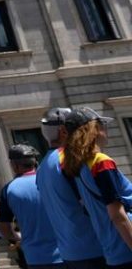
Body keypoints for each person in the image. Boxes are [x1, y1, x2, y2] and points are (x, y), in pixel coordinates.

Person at [61, 107, 132, 267]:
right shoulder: (101, 162)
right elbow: (117, 215)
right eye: (102, 124)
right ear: (93, 129)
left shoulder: (78, 167)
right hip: (126, 247)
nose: (106, 129)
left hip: (111, 249)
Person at [36, 107, 105, 268]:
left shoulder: (42, 168)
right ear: (63, 131)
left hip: (69, 252)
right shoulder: (69, 159)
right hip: (95, 247)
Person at [0, 144, 62, 268]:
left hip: (36, 258)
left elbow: (5, 229)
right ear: (35, 162)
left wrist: (18, 237)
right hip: (68, 253)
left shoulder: (9, 190)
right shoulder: (52, 179)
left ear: (14, 165)